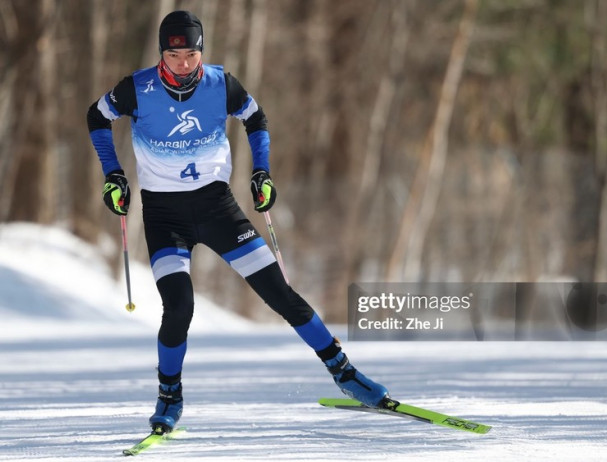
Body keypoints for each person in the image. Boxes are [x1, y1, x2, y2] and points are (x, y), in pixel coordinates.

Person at [87, 10, 389, 434]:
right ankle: (169, 396)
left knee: (280, 294)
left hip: (218, 208)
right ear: (162, 54)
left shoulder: (221, 83)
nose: (184, 63)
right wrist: (113, 175)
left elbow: (256, 118)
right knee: (180, 306)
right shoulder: (136, 88)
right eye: (175, 55)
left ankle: (345, 373)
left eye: (192, 53)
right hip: (163, 215)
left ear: (201, 51)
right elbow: (96, 118)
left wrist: (261, 171)